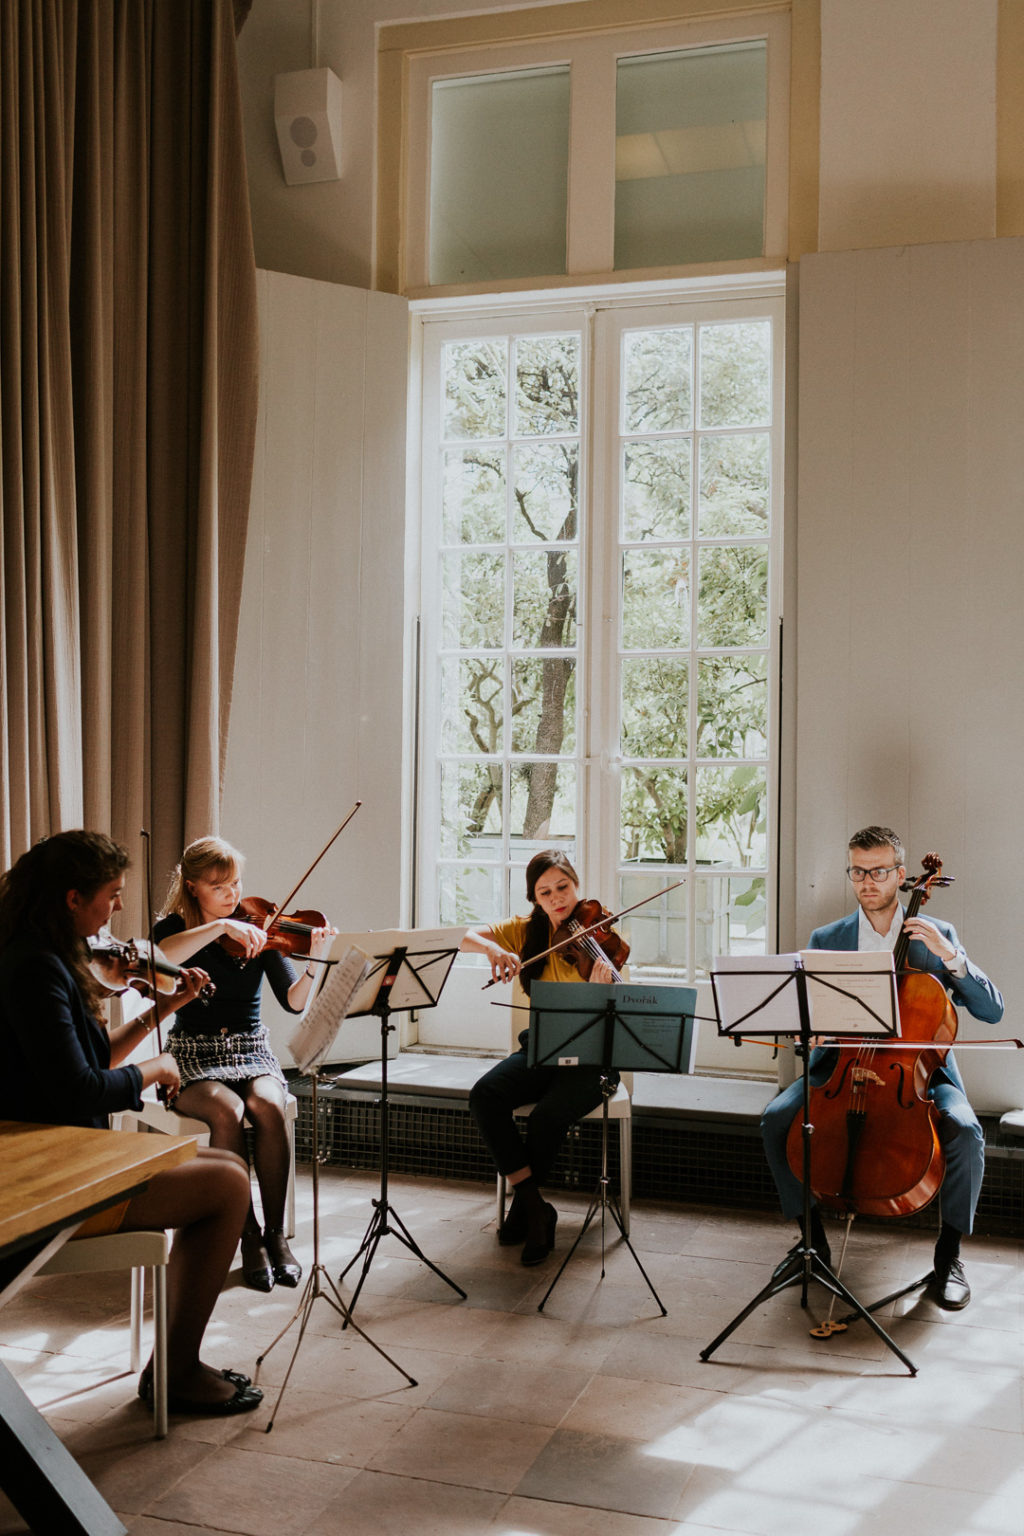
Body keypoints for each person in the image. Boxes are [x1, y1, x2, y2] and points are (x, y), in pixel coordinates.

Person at [0, 831, 262, 1415]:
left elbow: (88, 1060)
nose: (119, 908)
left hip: (65, 1151)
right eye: (112, 893)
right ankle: (178, 1370)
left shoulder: (47, 957)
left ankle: (174, 1363)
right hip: (50, 1176)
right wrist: (156, 1069)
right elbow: (78, 1091)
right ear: (73, 898)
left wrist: (164, 1009)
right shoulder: (35, 970)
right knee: (226, 1184)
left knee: (224, 1164)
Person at [760, 825, 1004, 1310]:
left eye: (878, 871)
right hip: (839, 1070)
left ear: (900, 874)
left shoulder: (937, 936)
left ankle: (949, 1257)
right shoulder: (828, 938)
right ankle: (812, 1245)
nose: (867, 882)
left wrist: (950, 956)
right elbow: (807, 1020)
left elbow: (992, 1011)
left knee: (967, 1132)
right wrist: (810, 1030)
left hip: (919, 1074)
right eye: (857, 871)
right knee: (775, 1120)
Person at [154, 837, 336, 1292]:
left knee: (270, 1108)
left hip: (251, 1048)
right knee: (226, 1111)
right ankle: (246, 1235)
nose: (232, 895)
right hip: (194, 1052)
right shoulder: (173, 929)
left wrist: (316, 964)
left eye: (235, 883)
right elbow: (160, 963)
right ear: (193, 887)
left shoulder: (260, 927)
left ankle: (275, 1237)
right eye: (219, 886)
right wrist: (219, 930)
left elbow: (294, 1003)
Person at [464, 850, 620, 1266]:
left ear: (576, 884)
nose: (557, 899)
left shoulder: (598, 933)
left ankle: (525, 1211)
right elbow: (459, 935)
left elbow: (620, 1012)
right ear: (535, 898)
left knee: (546, 1117)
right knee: (485, 1095)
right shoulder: (523, 931)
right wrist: (490, 951)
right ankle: (535, 1206)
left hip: (593, 1057)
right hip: (542, 1047)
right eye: (545, 892)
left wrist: (601, 990)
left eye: (563, 887)